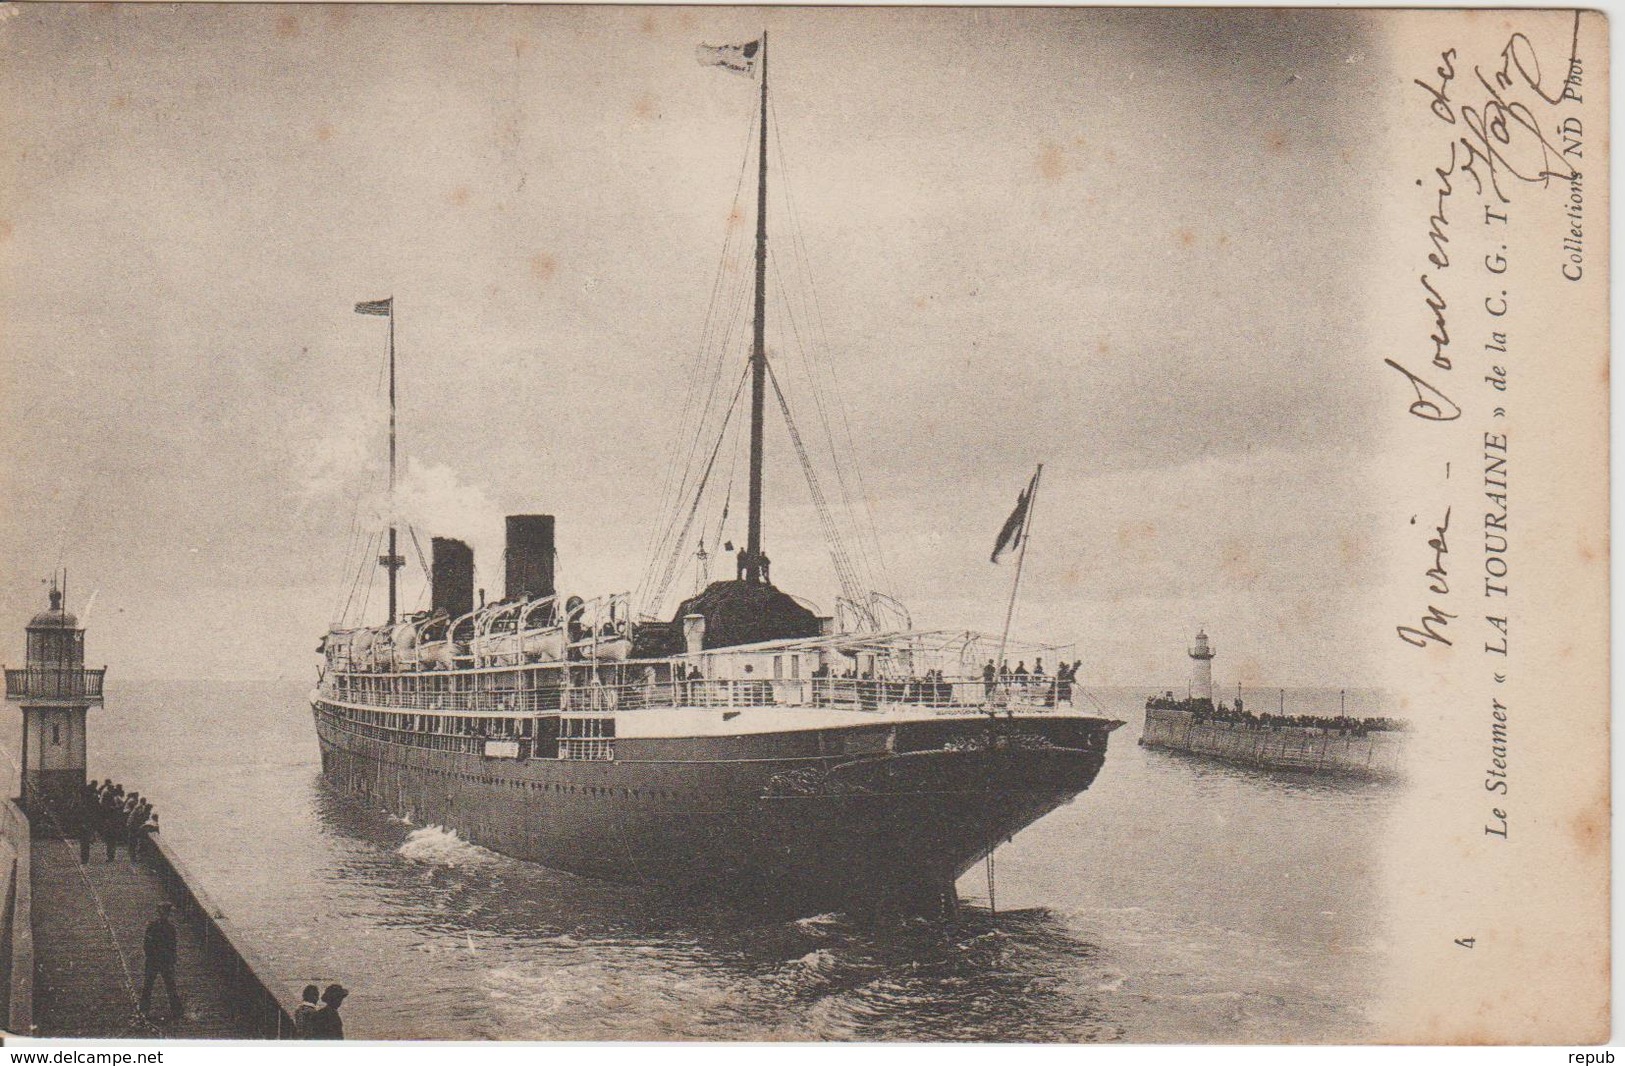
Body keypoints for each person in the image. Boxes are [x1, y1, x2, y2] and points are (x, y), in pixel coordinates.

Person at [139, 902, 182, 1019]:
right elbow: (147, 944)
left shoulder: (162, 927)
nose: (163, 915)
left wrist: (171, 960)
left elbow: (172, 946)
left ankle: (176, 1011)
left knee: (168, 986)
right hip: (157, 960)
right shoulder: (164, 927)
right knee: (149, 986)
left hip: (160, 961)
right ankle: (144, 1010)